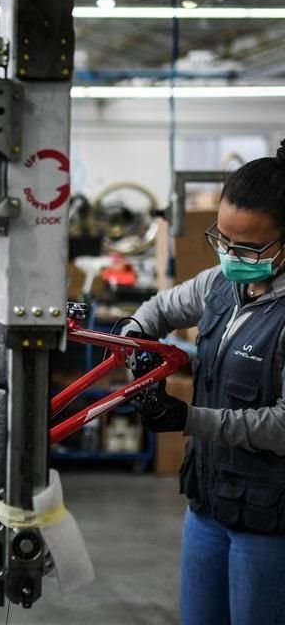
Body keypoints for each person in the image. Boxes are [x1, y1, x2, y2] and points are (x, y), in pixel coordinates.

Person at [126, 141, 285, 625]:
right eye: (224, 239)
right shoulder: (221, 283)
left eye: (249, 247)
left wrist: (189, 419)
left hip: (268, 517)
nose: (232, 255)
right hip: (208, 500)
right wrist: (134, 341)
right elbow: (159, 310)